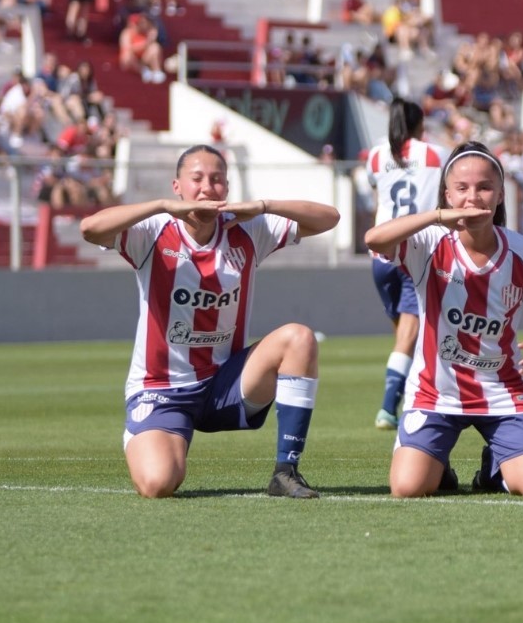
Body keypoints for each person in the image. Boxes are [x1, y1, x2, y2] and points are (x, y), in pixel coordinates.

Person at [78, 145, 341, 499]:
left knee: (299, 338)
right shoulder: (154, 229)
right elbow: (90, 229)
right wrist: (160, 206)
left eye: (216, 180)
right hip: (163, 390)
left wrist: (262, 206)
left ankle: (285, 471)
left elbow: (330, 218)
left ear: (227, 189)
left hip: (225, 383)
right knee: (157, 484)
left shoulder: (248, 228)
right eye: (197, 179)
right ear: (178, 187)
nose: (206, 188)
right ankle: (149, 433)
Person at [363, 141, 523, 498]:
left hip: (504, 391)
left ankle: (493, 468)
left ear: (500, 195)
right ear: (447, 195)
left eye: (484, 188)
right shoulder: (428, 241)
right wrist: (437, 216)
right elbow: (374, 239)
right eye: (462, 188)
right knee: (407, 489)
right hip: (435, 393)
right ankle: (439, 468)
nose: (473, 197)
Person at [362, 98, 450, 431]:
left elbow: (377, 191)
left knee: (405, 334)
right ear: (419, 125)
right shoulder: (436, 155)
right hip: (414, 252)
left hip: (381, 253)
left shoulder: (375, 155)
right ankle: (388, 408)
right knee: (409, 336)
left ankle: (414, 392)